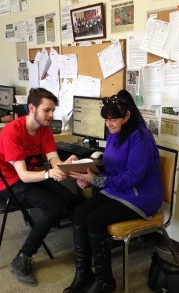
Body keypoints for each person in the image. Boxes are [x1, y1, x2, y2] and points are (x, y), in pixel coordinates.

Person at [63, 90, 163, 293]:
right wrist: (89, 179)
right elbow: (112, 169)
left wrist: (97, 180)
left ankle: (105, 281)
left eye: (113, 119)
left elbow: (133, 177)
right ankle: (84, 274)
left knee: (95, 220)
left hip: (140, 196)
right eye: (106, 119)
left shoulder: (141, 137)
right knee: (80, 213)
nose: (109, 124)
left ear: (127, 116)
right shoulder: (115, 134)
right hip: (120, 191)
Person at [0, 87, 83, 284]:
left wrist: (64, 166)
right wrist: (49, 173)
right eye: (46, 110)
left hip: (33, 175)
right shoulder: (12, 132)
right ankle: (22, 257)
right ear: (31, 108)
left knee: (73, 201)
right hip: (10, 182)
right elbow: (23, 176)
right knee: (54, 207)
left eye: (52, 111)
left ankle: (83, 249)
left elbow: (53, 160)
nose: (51, 115)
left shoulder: (45, 130)